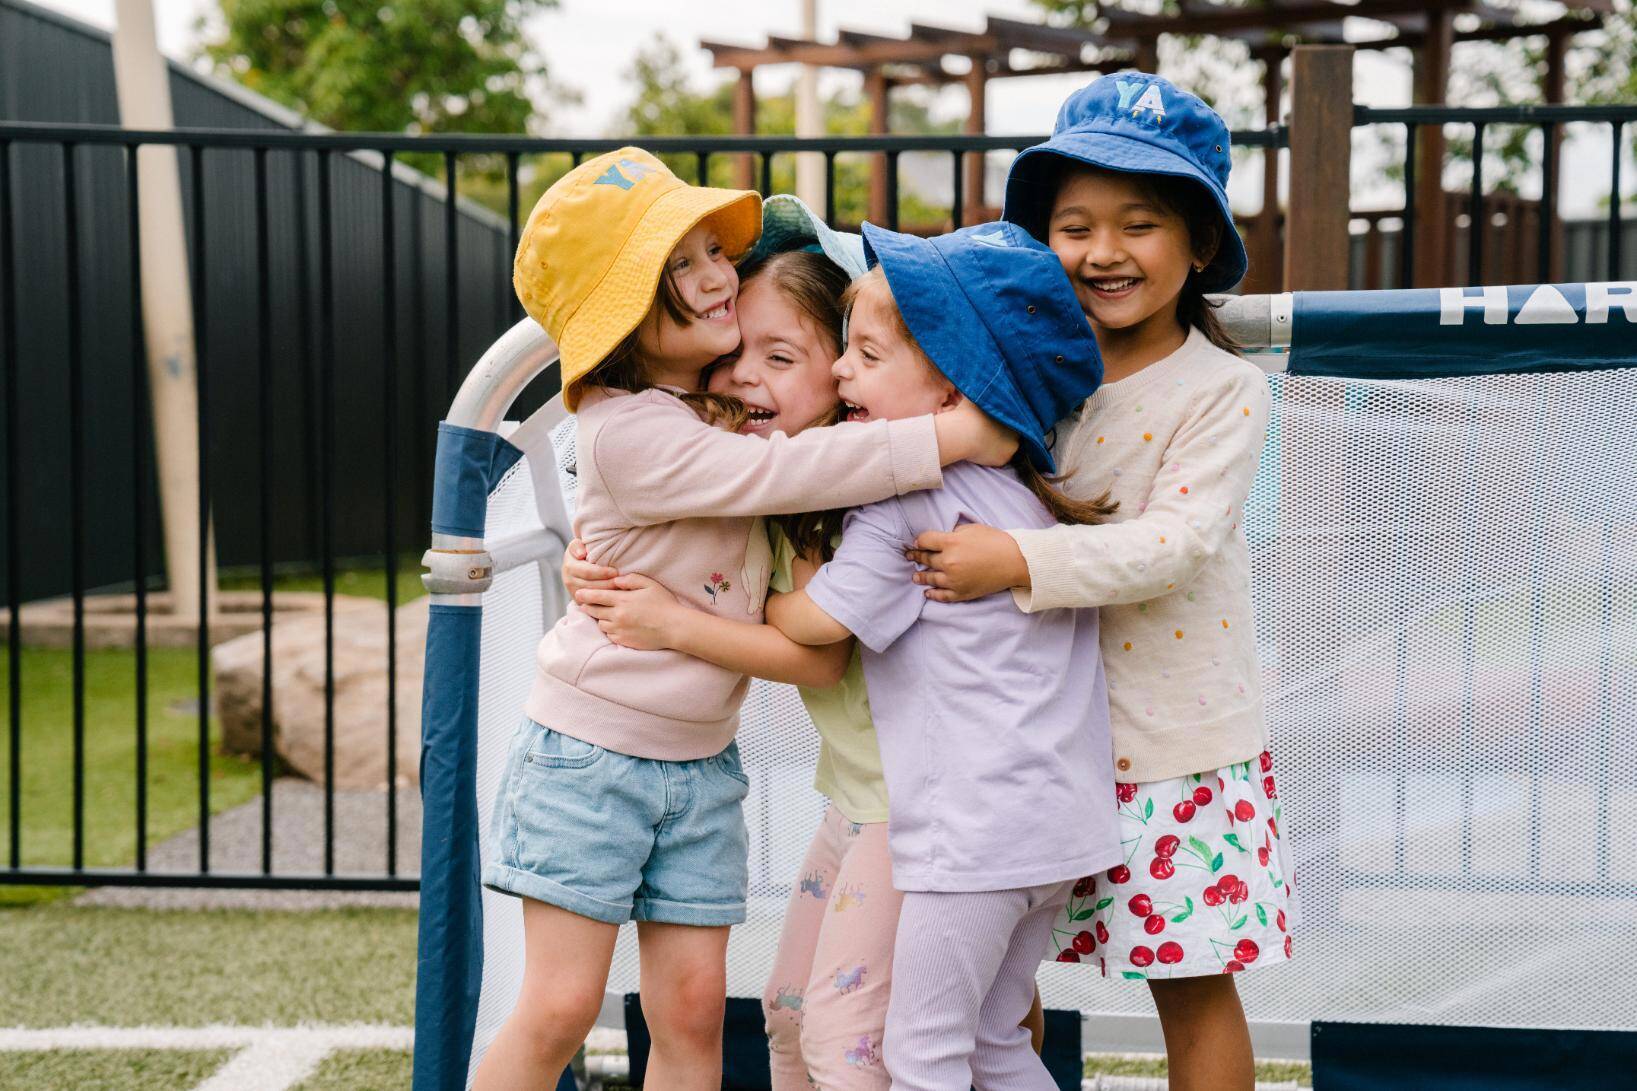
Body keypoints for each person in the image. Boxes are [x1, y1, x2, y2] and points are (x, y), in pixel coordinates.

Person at [473, 151, 1015, 1091]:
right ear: (625, 315)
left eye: (707, 251)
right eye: (680, 267)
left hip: (701, 763)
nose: (714, 273)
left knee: (689, 1011)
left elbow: (796, 447)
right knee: (561, 1004)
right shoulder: (633, 425)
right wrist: (957, 433)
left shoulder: (722, 413)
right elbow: (774, 478)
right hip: (589, 757)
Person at [899, 73, 1295, 1091]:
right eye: (1072, 225)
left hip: (1168, 748)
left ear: (1198, 243)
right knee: (992, 976)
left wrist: (1013, 560)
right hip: (1024, 739)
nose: (1102, 251)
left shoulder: (1220, 389)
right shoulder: (1027, 382)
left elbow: (1172, 544)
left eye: (1139, 223)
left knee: (1192, 984)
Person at [763, 221, 1121, 1091]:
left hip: (971, 839)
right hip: (1060, 826)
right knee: (994, 1040)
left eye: (868, 355)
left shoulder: (905, 497)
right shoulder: (1021, 495)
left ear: (953, 394)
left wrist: (747, 600)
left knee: (920, 1052)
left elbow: (817, 624)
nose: (843, 371)